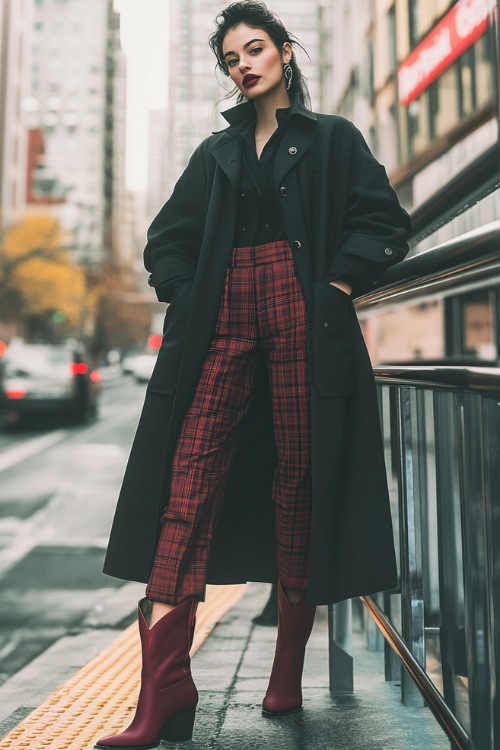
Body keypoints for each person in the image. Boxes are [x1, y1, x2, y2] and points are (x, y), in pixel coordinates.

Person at [95, 2, 411, 748]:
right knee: (189, 474)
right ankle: (164, 686)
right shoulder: (216, 153)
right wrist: (187, 291)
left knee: (299, 478)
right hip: (222, 316)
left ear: (285, 53)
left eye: (255, 48)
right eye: (232, 57)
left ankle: (285, 669)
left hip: (302, 309)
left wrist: (335, 285)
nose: (245, 63)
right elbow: (166, 241)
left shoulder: (332, 138)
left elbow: (382, 222)